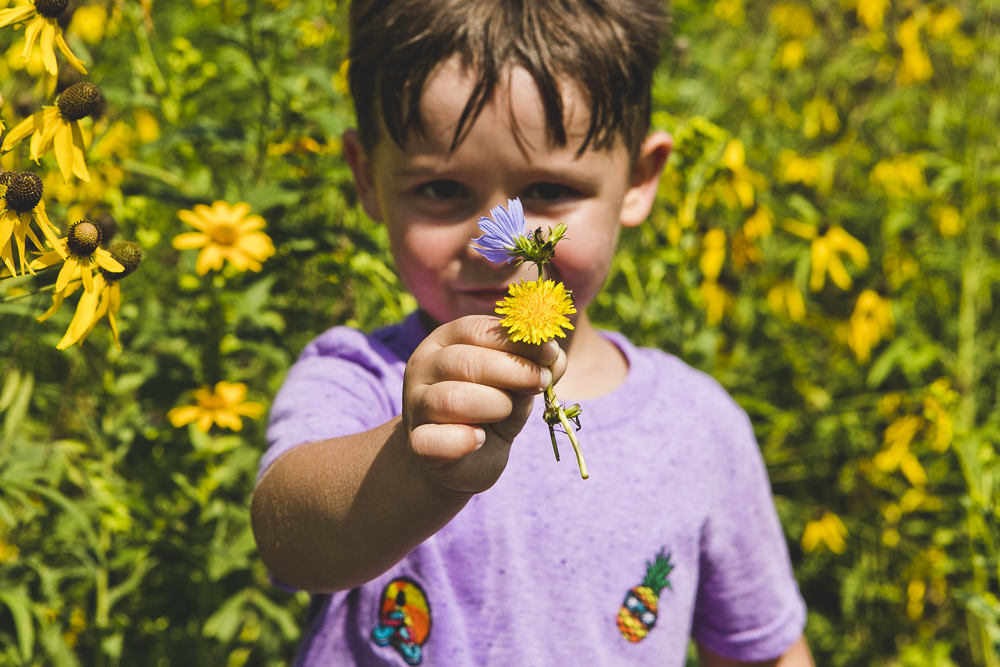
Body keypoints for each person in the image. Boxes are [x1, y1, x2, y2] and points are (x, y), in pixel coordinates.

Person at [251, 0, 814, 665]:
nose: (503, 247)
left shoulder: (699, 427)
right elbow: (290, 539)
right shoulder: (361, 377)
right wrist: (416, 462)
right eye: (441, 189)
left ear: (638, 179)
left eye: (548, 188)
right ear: (367, 177)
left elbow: (761, 650)